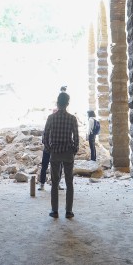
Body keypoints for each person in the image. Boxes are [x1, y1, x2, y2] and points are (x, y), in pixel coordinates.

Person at [42, 89, 79, 218]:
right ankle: (69, 212)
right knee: (69, 183)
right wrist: (74, 149)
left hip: (55, 153)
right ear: (67, 104)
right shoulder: (72, 118)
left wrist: (49, 148)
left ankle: (55, 211)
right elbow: (76, 137)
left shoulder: (51, 118)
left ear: (58, 103)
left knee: (55, 183)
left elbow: (45, 135)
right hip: (68, 153)